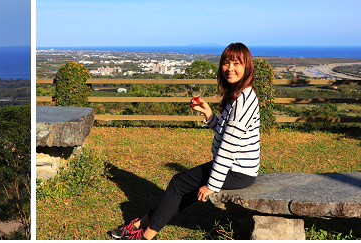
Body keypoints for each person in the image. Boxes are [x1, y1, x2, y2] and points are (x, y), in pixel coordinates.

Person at [109, 42, 261, 240]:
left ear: (246, 67)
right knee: (184, 189)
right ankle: (139, 224)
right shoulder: (238, 95)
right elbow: (225, 132)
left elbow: (227, 147)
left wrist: (212, 185)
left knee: (178, 183)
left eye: (236, 63)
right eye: (226, 63)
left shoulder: (243, 101)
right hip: (235, 167)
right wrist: (208, 113)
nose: (229, 68)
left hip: (238, 170)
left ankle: (145, 236)